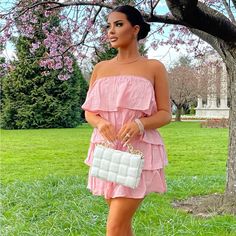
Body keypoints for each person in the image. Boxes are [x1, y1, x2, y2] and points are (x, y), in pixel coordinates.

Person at [82, 5, 171, 236]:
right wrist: (100, 123)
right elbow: (89, 112)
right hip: (107, 150)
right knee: (122, 226)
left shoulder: (154, 68)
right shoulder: (101, 68)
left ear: (135, 29)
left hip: (138, 151)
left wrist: (140, 124)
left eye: (118, 24)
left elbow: (165, 113)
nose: (111, 31)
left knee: (113, 226)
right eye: (108, 26)